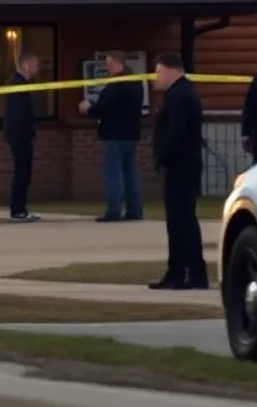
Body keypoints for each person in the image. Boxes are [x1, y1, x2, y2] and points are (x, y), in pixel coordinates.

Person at [150, 52, 208, 290]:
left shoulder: (179, 96)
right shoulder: (180, 93)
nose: (156, 77)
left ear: (168, 70)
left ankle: (184, 273)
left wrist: (162, 156)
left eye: (158, 72)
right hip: (184, 165)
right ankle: (185, 272)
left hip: (181, 166)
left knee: (181, 222)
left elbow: (177, 133)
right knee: (181, 221)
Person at [78, 51, 144, 222]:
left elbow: (103, 107)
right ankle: (135, 210)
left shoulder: (115, 84)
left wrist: (88, 109)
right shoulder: (136, 83)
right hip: (132, 134)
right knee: (130, 172)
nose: (106, 68)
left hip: (114, 135)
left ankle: (113, 211)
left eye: (108, 63)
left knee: (113, 174)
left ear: (117, 62)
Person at [3, 52, 40, 222]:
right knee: (22, 172)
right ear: (26, 64)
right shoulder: (17, 84)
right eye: (34, 64)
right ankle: (18, 210)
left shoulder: (23, 83)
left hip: (21, 134)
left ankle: (21, 208)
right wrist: (25, 133)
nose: (37, 68)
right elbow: (18, 114)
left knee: (24, 172)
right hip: (19, 135)